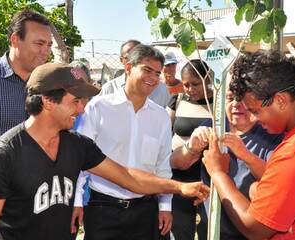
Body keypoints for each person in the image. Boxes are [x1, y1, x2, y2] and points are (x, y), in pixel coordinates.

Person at [0, 62, 210, 240]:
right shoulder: (4, 156)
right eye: (75, 101)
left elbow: (127, 176)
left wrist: (179, 187)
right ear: (48, 101)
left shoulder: (77, 145)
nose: (82, 109)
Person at [203, 50, 295, 239]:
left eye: (256, 111)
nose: (254, 118)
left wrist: (218, 173)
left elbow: (254, 228)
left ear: (281, 101)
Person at [71, 44, 173, 240]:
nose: (153, 78)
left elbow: (162, 164)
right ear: (128, 68)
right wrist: (76, 201)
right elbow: (81, 160)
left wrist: (165, 205)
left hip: (146, 210)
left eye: (157, 73)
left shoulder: (161, 117)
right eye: (147, 70)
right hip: (103, 210)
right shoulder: (98, 108)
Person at [172, 83, 283, 239]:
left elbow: (278, 183)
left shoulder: (271, 133)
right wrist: (191, 147)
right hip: (210, 228)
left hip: (248, 230)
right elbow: (175, 163)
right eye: (230, 98)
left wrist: (246, 155)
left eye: (243, 99)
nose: (237, 105)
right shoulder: (214, 126)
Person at [165, 59, 213, 240]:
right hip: (178, 177)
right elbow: (164, 135)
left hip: (206, 178)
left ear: (207, 79)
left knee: (206, 230)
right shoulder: (177, 101)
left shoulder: (217, 104)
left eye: (195, 84)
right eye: (185, 84)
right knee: (180, 230)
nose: (190, 89)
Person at [0, 9, 53, 144]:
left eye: (49, 45)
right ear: (15, 40)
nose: (45, 52)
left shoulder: (51, 82)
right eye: (39, 43)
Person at [99, 39, 171, 107]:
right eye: (129, 57)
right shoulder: (109, 89)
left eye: (157, 74)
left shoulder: (161, 89)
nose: (132, 60)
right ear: (123, 61)